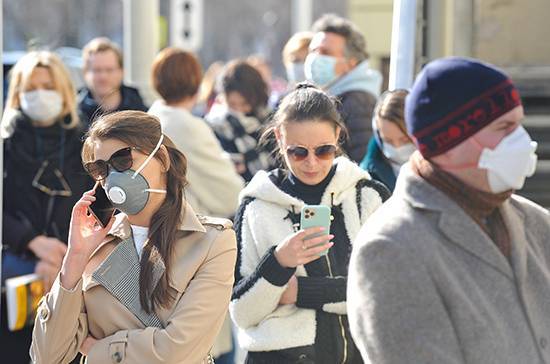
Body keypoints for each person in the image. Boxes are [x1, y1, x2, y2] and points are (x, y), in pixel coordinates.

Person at [348, 57, 549, 364]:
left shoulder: (535, 222)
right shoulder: (390, 249)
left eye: (518, 124)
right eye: (504, 127)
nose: (521, 140)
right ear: (450, 142)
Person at [30, 111, 237, 363]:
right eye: (101, 168)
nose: (111, 176)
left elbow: (177, 352)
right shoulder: (93, 246)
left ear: (161, 158)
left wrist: (98, 351)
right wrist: (75, 258)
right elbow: (47, 357)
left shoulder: (213, 242)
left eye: (122, 159)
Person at [230, 84, 390, 364]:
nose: (312, 163)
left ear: (338, 136)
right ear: (280, 138)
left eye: (325, 150)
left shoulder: (367, 196)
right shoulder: (256, 206)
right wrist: (278, 262)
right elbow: (241, 312)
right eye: (298, 152)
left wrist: (299, 292)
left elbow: (385, 293)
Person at [0, 50, 92, 364]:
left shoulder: (85, 145)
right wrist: (33, 243)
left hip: (75, 273)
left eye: (49, 86)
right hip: (14, 272)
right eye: (32, 87)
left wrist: (66, 260)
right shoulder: (6, 144)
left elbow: (99, 205)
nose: (41, 94)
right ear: (18, 93)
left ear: (64, 91)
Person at [149, 47, 244, 219]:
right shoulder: (189, 128)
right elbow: (230, 195)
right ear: (195, 82)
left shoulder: (151, 118)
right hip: (187, 233)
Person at [306, 14, 382, 163]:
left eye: (325, 52)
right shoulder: (336, 95)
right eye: (313, 51)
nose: (315, 59)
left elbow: (362, 162)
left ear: (351, 62)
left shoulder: (357, 103)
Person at [206, 60, 273, 181]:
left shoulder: (269, 121)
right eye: (232, 104)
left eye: (244, 104)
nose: (238, 110)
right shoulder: (215, 125)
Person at [78, 37, 147, 126]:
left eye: (109, 70)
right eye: (97, 70)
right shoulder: (73, 118)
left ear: (122, 71)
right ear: (85, 72)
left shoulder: (141, 115)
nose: (103, 77)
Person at [360, 89, 415, 191]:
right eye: (388, 141)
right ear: (378, 136)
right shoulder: (367, 177)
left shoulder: (444, 165)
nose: (397, 147)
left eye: (405, 140)